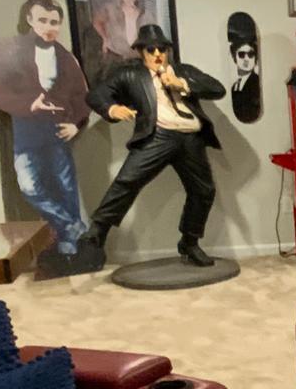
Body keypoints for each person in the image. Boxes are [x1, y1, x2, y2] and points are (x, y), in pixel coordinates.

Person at [84, 24, 226, 267]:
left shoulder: (183, 71)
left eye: (162, 48)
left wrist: (182, 84)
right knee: (128, 180)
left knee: (204, 191)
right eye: (151, 49)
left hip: (190, 138)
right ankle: (98, 230)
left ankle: (190, 242)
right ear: (141, 51)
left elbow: (217, 89)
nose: (157, 53)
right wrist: (112, 108)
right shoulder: (130, 74)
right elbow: (96, 94)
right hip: (157, 136)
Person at [0, 0, 95, 274]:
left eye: (54, 22)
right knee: (28, 186)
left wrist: (77, 124)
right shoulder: (8, 50)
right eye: (43, 20)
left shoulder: (65, 57)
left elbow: (83, 96)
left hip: (59, 129)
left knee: (66, 188)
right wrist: (29, 104)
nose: (48, 27)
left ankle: (69, 250)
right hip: (27, 128)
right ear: (30, 20)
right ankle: (72, 225)